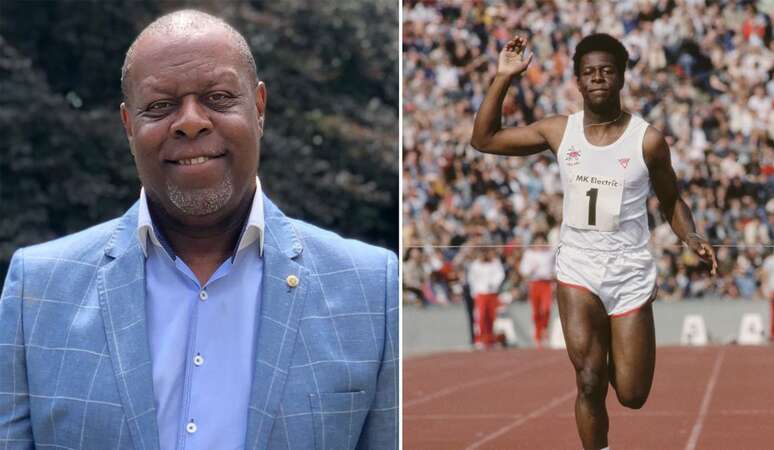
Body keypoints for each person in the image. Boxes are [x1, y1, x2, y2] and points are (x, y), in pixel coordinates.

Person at [0, 10, 397, 450]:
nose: (191, 121)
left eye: (219, 97)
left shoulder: (371, 290)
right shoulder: (35, 290)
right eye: (159, 106)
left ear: (259, 109)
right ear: (129, 125)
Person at [471, 34, 717, 450]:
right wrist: (504, 77)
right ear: (578, 82)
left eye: (607, 70)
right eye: (589, 72)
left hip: (629, 271)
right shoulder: (558, 131)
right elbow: (485, 139)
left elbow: (671, 199)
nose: (598, 78)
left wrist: (690, 234)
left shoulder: (648, 140)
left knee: (632, 394)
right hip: (578, 269)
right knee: (588, 380)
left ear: (621, 77)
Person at [519, 233, 555, 348]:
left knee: (546, 309)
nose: (540, 244)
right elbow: (523, 270)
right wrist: (531, 268)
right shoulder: (529, 254)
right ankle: (538, 336)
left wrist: (554, 276)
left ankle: (544, 330)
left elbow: (555, 267)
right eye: (537, 242)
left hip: (546, 284)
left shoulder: (550, 253)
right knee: (536, 311)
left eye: (542, 241)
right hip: (534, 284)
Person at [466, 249, 505, 349]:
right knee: (481, 316)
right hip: (480, 294)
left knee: (492, 317)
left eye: (485, 253)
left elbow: (500, 275)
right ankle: (480, 339)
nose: (483, 255)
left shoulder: (495, 263)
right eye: (481, 253)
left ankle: (491, 339)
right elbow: (472, 279)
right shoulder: (475, 265)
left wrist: (494, 285)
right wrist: (474, 293)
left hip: (492, 294)